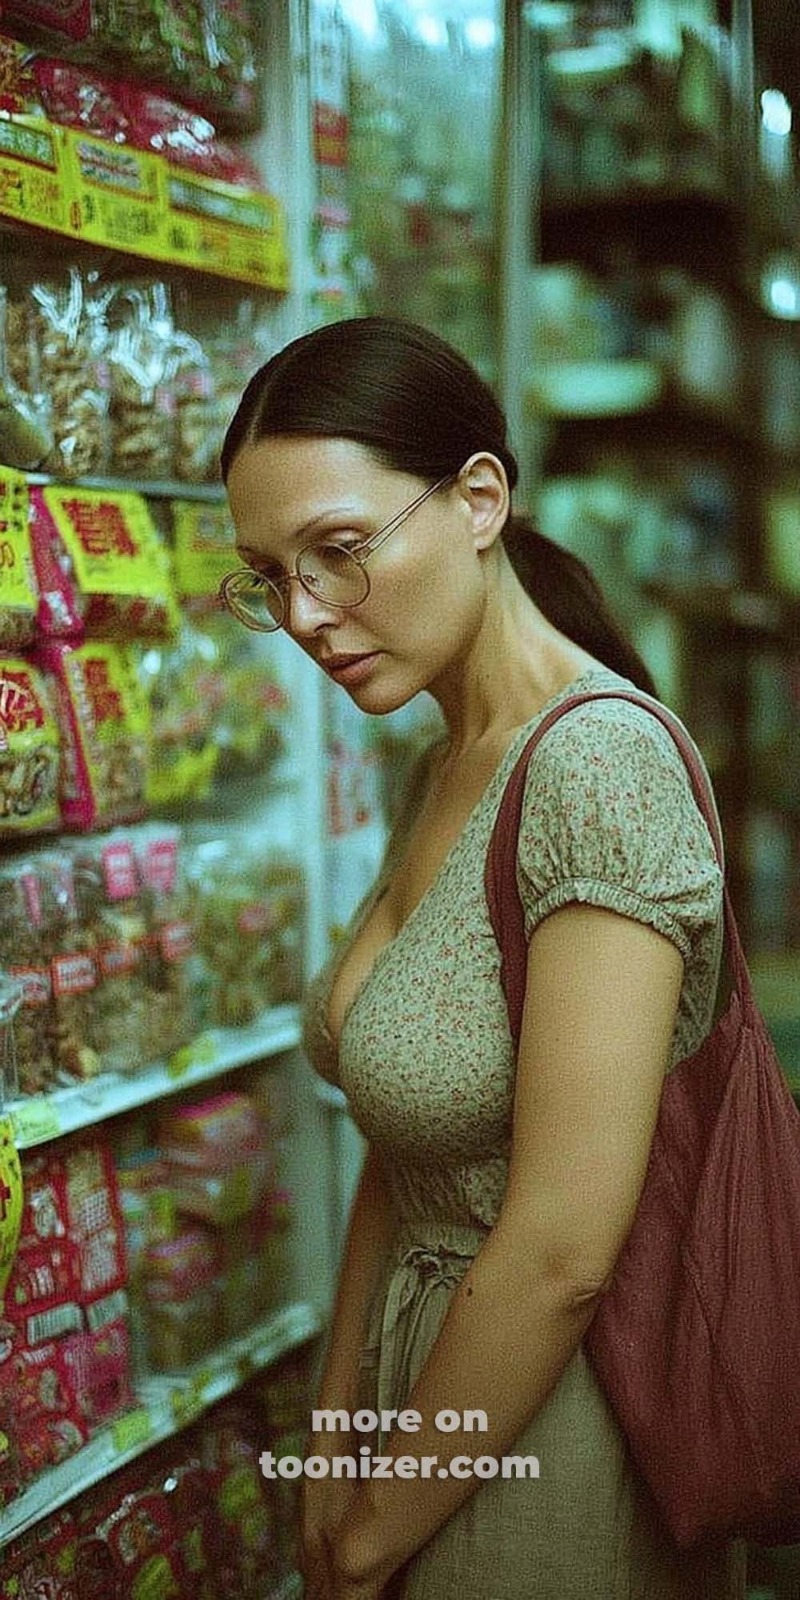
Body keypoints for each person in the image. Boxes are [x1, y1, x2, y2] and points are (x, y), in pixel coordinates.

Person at [219, 317, 746, 1600]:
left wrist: (371, 1530)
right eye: (268, 575)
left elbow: (564, 1243)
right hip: (421, 1408)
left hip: (548, 1426)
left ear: (477, 499)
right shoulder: (445, 758)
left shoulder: (594, 768)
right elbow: (405, 1149)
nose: (304, 615)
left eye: (338, 552)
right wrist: (336, 1438)